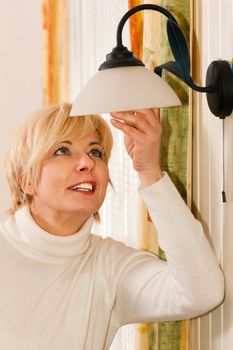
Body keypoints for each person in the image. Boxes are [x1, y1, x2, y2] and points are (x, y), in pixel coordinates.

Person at [1, 102, 224, 350]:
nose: (87, 162)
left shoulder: (110, 266)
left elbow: (202, 292)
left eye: (95, 152)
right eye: (63, 150)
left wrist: (149, 171)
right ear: (27, 181)